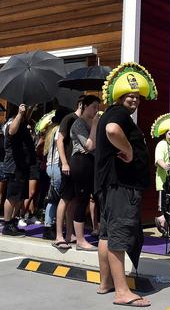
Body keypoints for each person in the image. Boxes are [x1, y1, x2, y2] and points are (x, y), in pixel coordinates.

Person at [95, 62, 157, 307]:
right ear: (119, 96)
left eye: (137, 96)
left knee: (108, 235)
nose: (134, 99)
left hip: (110, 185)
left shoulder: (109, 113)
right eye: (129, 95)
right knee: (119, 236)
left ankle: (106, 283)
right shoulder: (118, 115)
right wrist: (130, 150)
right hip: (122, 185)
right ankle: (122, 292)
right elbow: (112, 131)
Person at [69, 95, 101, 251]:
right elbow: (88, 145)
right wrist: (95, 125)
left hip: (93, 163)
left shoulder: (95, 122)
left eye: (98, 107)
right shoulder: (78, 123)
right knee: (81, 200)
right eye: (93, 106)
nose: (96, 110)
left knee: (98, 197)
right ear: (84, 106)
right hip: (81, 161)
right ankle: (80, 240)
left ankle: (100, 231)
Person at [53, 97, 84, 249]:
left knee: (74, 200)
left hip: (78, 165)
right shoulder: (69, 118)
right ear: (81, 105)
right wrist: (64, 162)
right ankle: (59, 235)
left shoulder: (85, 121)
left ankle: (69, 234)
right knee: (65, 199)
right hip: (67, 164)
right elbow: (59, 140)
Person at [2, 103, 35, 236]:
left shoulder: (25, 124)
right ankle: (7, 223)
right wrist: (19, 114)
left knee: (20, 197)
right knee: (12, 196)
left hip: (24, 165)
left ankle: (13, 222)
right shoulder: (12, 121)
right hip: (14, 165)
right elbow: (11, 131)